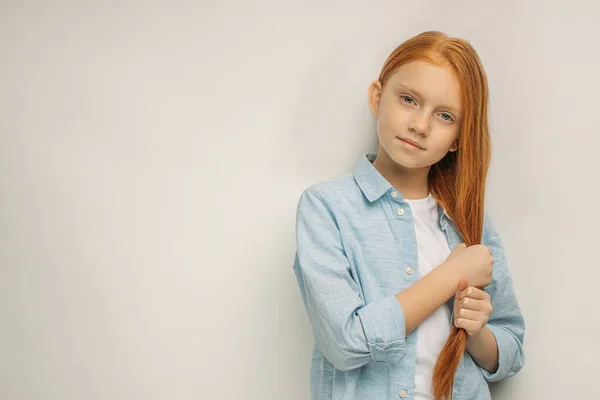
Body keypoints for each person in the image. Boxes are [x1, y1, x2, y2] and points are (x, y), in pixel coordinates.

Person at [292, 31, 525, 400]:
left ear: (458, 139)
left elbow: (510, 353)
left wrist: (477, 334)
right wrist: (451, 276)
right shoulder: (327, 208)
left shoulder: (472, 222)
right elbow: (346, 342)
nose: (420, 125)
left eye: (445, 115)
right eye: (408, 99)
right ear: (376, 97)